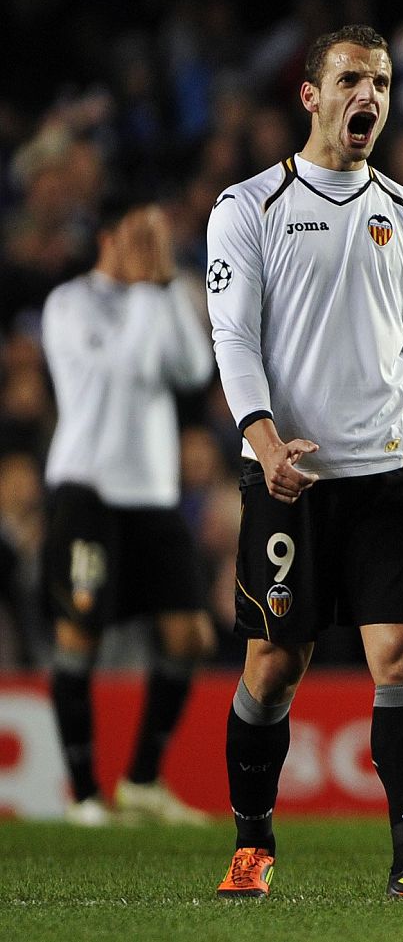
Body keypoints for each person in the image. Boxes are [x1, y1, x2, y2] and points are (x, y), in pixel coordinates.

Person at [205, 25, 403, 901]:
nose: (367, 95)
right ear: (311, 95)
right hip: (291, 473)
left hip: (392, 468)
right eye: (350, 80)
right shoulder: (246, 207)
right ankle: (253, 842)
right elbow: (232, 337)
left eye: (380, 81)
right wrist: (261, 439)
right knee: (274, 665)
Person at [40, 202, 217, 825]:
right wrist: (151, 291)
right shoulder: (70, 304)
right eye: (143, 233)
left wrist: (162, 288)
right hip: (87, 490)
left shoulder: (161, 293)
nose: (153, 244)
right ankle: (85, 794)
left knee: (190, 633)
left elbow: (194, 369)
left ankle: (142, 781)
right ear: (109, 236)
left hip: (152, 493)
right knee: (80, 632)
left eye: (160, 234)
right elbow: (124, 369)